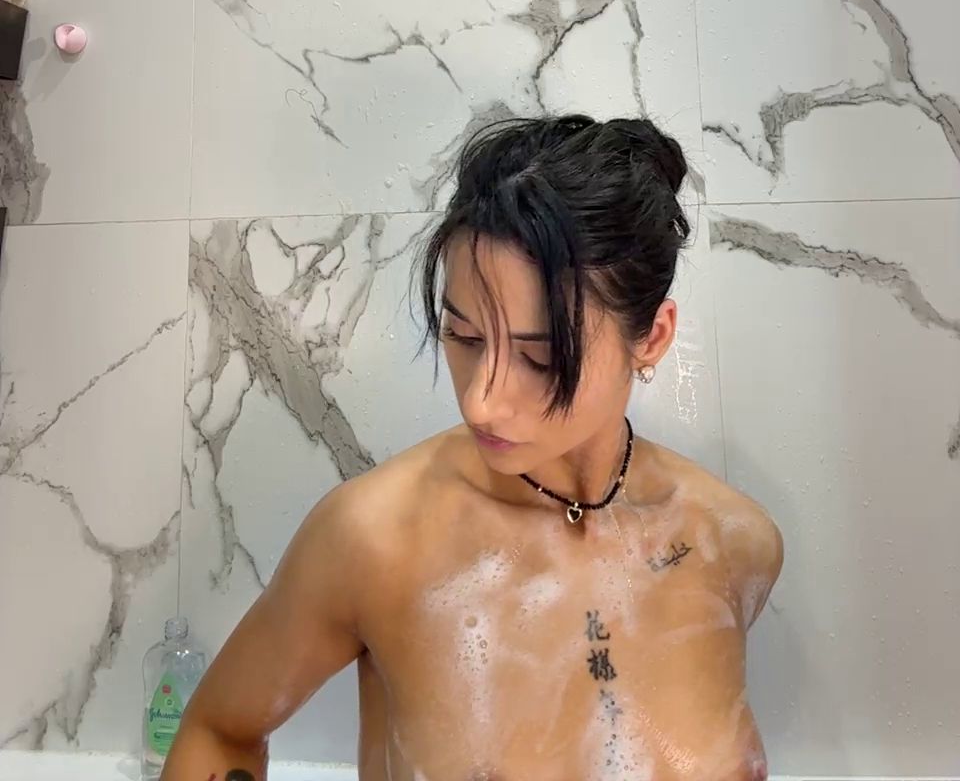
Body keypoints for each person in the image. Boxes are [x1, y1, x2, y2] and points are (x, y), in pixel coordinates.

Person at [163, 115, 782, 781]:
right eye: (463, 337)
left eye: (540, 357)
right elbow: (219, 731)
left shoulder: (733, 545)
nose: (482, 401)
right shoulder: (378, 540)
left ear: (652, 338)